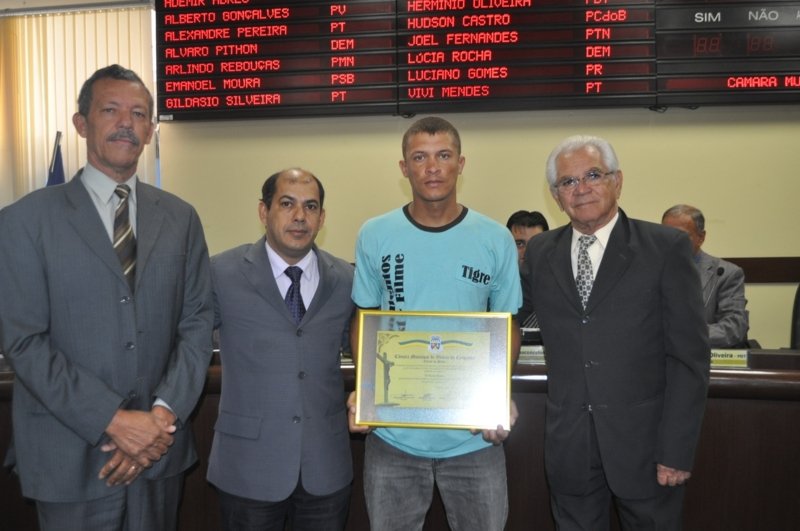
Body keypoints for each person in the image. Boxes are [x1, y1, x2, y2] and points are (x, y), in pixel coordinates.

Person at [0, 64, 214, 531]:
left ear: (151, 130)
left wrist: (158, 420)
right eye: (111, 110)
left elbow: (197, 324)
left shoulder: (181, 218)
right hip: (70, 459)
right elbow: (24, 342)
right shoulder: (24, 222)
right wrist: (115, 421)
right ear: (82, 123)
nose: (126, 123)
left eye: (139, 114)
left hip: (159, 454)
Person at [519, 135, 709, 531]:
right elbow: (507, 316)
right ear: (556, 196)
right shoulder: (540, 253)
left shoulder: (665, 247)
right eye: (568, 182)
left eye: (593, 175)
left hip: (647, 452)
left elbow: (689, 358)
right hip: (569, 448)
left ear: (617, 181)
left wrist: (676, 449)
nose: (581, 188)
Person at [347, 116, 522, 531]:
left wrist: (499, 394)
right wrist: (364, 389)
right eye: (420, 157)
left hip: (474, 439)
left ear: (460, 163)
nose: (432, 167)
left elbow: (507, 326)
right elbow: (366, 318)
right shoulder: (375, 234)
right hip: (393, 439)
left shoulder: (495, 238)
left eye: (443, 156)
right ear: (404, 167)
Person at [207, 168, 354, 530]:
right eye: (287, 204)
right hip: (248, 467)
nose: (300, 216)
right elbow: (186, 346)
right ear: (263, 211)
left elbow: (370, 350)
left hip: (325, 467)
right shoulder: (220, 273)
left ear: (322, 217)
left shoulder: (347, 279)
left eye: (310, 206)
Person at [662, 204, 749, 348]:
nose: (671, 241)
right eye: (665, 234)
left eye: (680, 235)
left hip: (701, 358)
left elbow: (734, 328)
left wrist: (686, 334)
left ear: (701, 237)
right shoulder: (648, 269)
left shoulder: (725, 274)